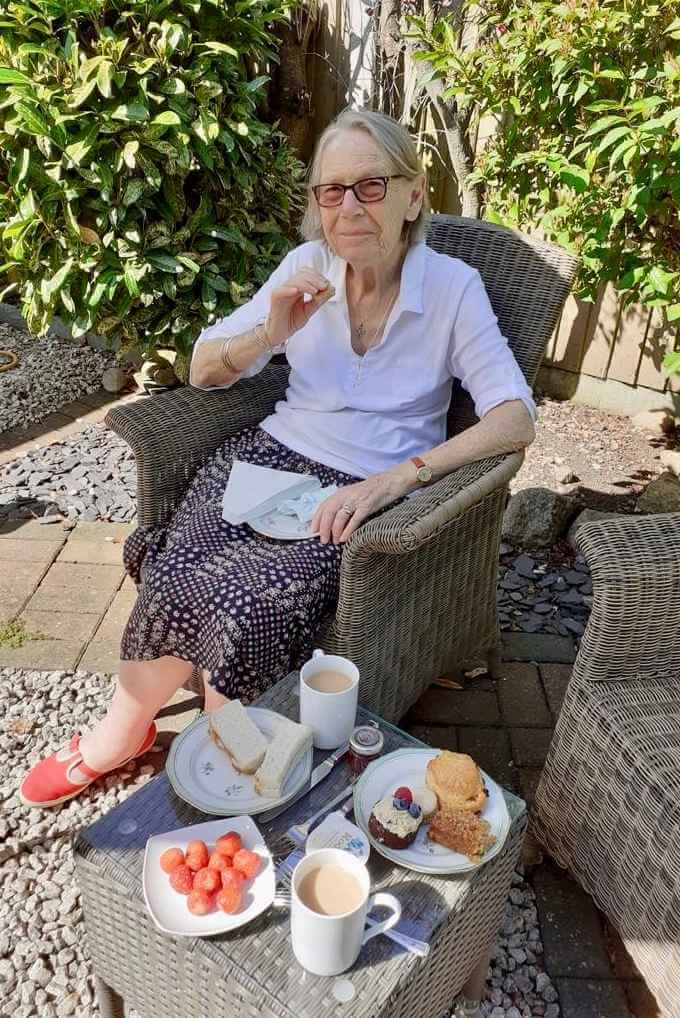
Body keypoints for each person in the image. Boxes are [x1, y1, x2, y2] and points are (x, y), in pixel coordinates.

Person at [19, 108, 536, 808]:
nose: (349, 208)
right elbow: (204, 369)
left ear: (413, 195)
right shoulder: (306, 267)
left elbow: (513, 418)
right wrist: (270, 331)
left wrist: (397, 481)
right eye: (332, 191)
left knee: (246, 602)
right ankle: (128, 732)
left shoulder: (451, 288)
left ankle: (227, 747)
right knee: (175, 566)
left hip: (362, 488)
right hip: (267, 459)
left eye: (371, 186)